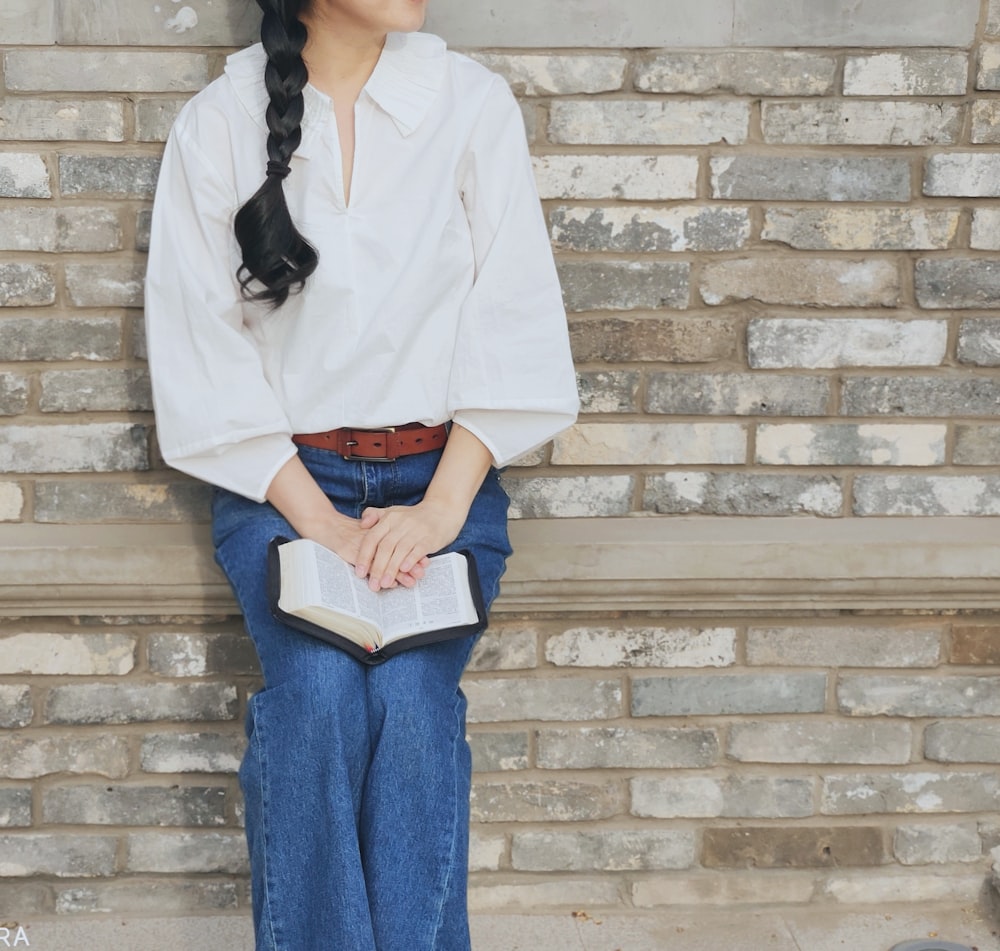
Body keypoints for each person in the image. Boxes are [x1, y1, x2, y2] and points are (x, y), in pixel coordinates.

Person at [143, 0, 579, 948]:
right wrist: (324, 525)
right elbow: (200, 355)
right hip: (285, 488)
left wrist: (437, 511)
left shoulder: (470, 105)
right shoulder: (219, 122)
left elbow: (516, 321)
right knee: (317, 703)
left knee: (417, 713)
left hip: (444, 481)